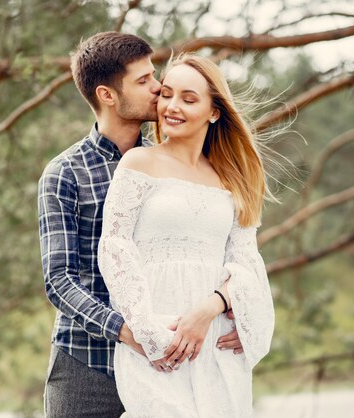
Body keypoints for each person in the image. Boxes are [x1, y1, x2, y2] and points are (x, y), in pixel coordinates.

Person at [38, 32, 243, 417]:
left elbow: (211, 252)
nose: (159, 87)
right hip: (88, 365)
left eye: (155, 75)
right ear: (107, 95)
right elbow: (59, 280)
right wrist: (126, 330)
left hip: (168, 363)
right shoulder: (65, 173)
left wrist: (228, 314)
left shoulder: (174, 167)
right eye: (144, 81)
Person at [98, 53, 276, 417]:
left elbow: (245, 264)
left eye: (189, 99)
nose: (172, 107)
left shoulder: (233, 179)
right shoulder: (137, 163)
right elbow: (115, 249)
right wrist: (149, 332)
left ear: (214, 111)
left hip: (215, 343)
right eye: (166, 94)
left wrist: (214, 309)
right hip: (159, 338)